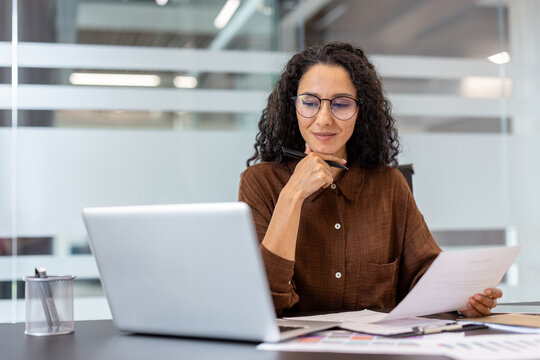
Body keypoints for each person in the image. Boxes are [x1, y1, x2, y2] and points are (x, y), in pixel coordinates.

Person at [238, 42, 501, 317]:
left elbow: (426, 276)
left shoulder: (389, 185)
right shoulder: (259, 182)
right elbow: (263, 302)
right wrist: (292, 195)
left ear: (360, 112)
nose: (324, 119)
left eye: (341, 104)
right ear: (292, 107)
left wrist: (462, 299)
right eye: (310, 103)